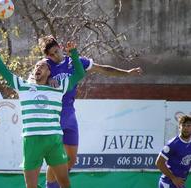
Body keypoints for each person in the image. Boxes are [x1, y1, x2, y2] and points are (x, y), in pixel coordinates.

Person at [0, 25, 86, 188]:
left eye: (42, 66)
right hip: (31, 141)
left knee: (64, 183)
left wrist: (74, 53)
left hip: (53, 141)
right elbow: (1, 69)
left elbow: (79, 74)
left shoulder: (58, 87)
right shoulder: (23, 87)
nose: (37, 68)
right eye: (36, 66)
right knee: (30, 186)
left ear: (49, 72)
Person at [38, 35, 143, 188]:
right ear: (47, 56)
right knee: (57, 158)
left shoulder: (75, 61)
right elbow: (33, 81)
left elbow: (103, 69)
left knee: (71, 160)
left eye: (56, 51)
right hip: (54, 115)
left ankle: (55, 183)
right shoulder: (45, 65)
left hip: (70, 114)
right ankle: (51, 186)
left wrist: (126, 73)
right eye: (51, 55)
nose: (55, 56)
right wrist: (47, 80)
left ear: (60, 47)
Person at [155, 115, 191, 188]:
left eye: (189, 125)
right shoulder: (172, 144)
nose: (186, 128)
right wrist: (173, 178)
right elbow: (159, 162)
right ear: (179, 127)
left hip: (179, 184)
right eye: (183, 125)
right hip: (168, 183)